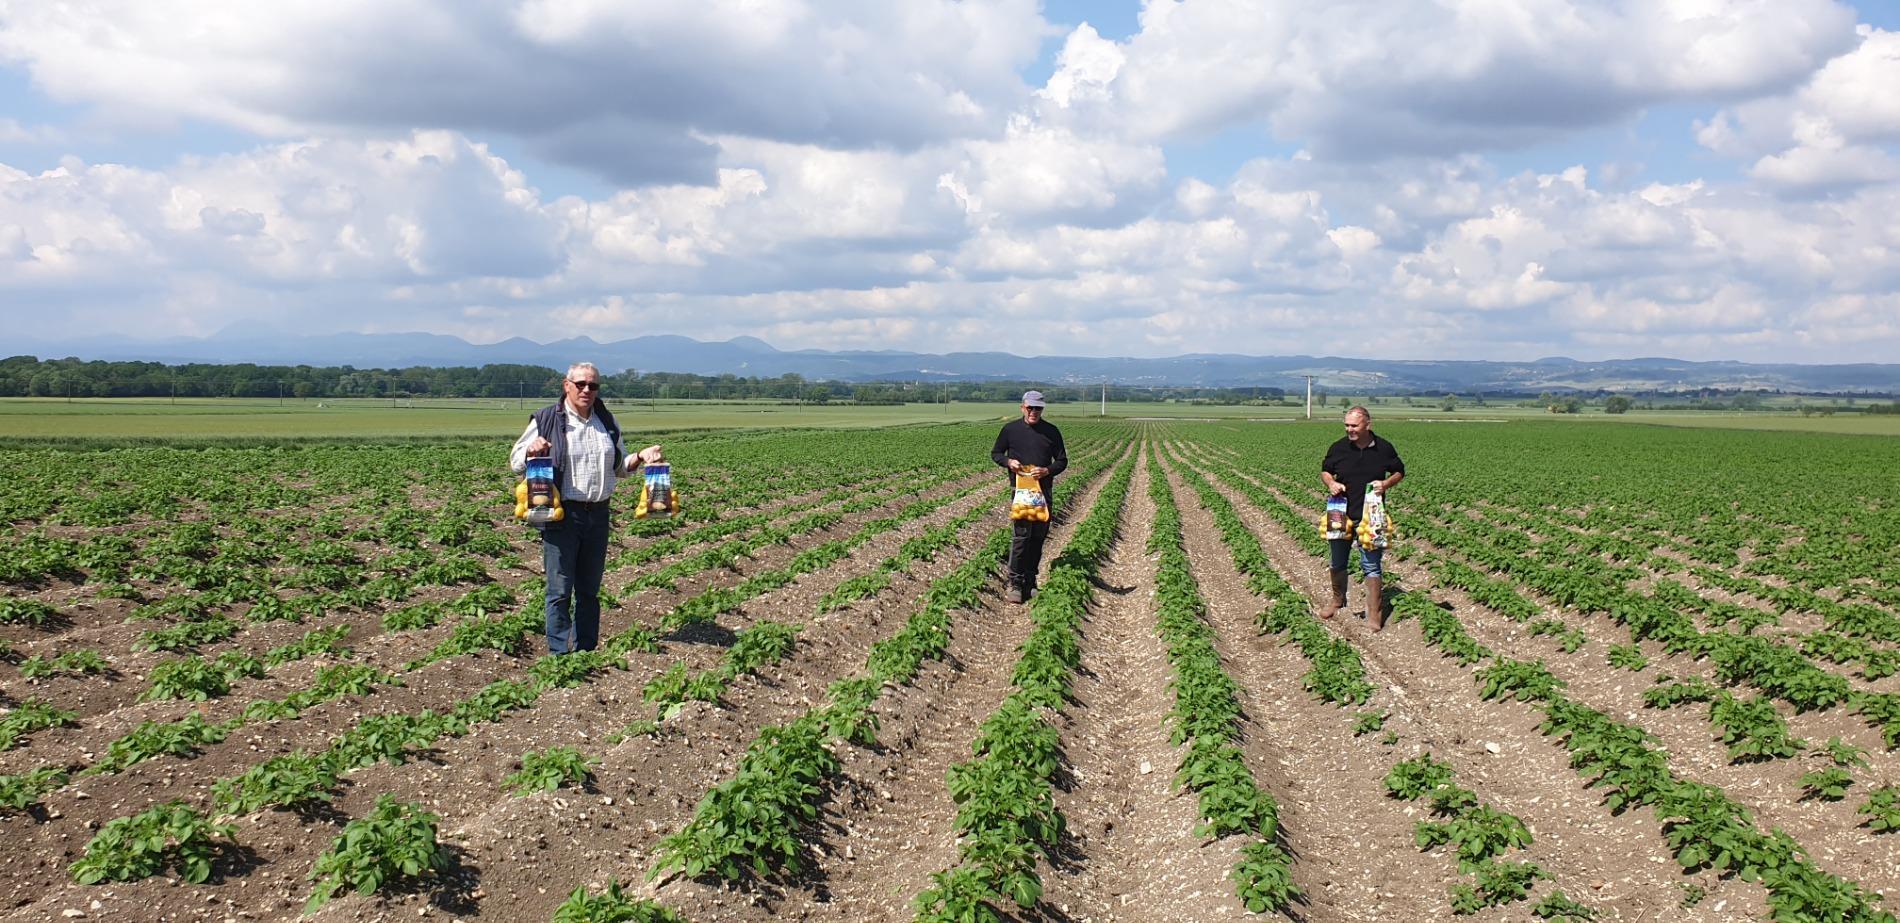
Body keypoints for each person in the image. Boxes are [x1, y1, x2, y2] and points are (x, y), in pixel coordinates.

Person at [509, 362, 663, 654]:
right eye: (580, 384)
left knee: (589, 590)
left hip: (599, 514)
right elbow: (516, 461)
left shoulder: (605, 420)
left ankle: (586, 651)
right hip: (562, 515)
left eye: (593, 385)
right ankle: (558, 654)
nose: (586, 390)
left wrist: (641, 456)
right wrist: (531, 450)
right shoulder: (546, 420)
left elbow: (620, 466)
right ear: (566, 385)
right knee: (559, 589)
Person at [1319, 406, 1405, 630]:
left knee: (1372, 565)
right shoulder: (1338, 447)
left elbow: (1399, 471)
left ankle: (1374, 614)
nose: (1350, 429)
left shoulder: (1384, 448)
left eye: (1354, 425)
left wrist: (1386, 484)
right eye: (1347, 425)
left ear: (1368, 424)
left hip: (1371, 515)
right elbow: (1325, 470)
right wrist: (1331, 483)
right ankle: (1337, 600)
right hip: (1340, 512)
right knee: (1337, 560)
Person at [991, 390, 1067, 604]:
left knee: (1038, 537)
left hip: (1043, 492)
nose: (1034, 412)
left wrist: (1048, 470)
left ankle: (1030, 581)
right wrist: (1008, 462)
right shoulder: (1010, 430)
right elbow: (996, 453)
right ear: (1022, 407)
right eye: (1030, 408)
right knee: (1021, 537)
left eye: (1038, 408)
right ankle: (1014, 583)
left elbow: (1062, 460)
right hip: (1021, 492)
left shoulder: (1051, 432)